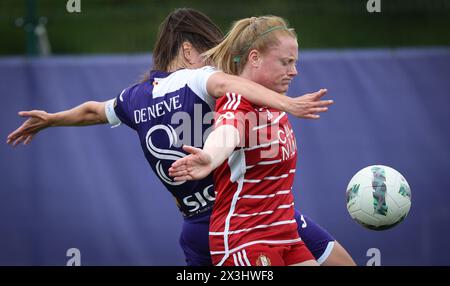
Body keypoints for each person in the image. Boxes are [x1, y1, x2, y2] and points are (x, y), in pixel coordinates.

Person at [6, 8, 351, 266]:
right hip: (244, 220)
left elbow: (93, 111)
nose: (221, 63)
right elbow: (232, 90)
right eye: (212, 53)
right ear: (188, 51)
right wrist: (287, 103)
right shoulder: (201, 78)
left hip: (196, 231)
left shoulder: (135, 97)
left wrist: (52, 119)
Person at [168, 15, 353, 266]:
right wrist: (210, 158)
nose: (294, 71)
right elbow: (227, 132)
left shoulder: (274, 102)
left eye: (295, 62)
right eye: (286, 62)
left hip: (285, 234)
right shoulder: (237, 103)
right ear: (254, 58)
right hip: (245, 240)